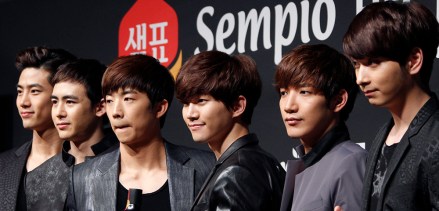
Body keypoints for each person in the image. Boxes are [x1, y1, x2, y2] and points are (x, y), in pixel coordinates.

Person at [69, 54, 215, 211]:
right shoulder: (82, 178)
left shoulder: (206, 169)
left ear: (159, 108)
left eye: (128, 99)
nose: (116, 112)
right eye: (110, 101)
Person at [343, 1, 439, 210]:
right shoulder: (382, 137)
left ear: (413, 60)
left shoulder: (436, 136)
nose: (360, 78)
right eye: (356, 65)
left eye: (373, 62)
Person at [175, 50, 286, 211]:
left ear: (237, 106)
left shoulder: (236, 173)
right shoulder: (261, 162)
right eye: (185, 103)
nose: (190, 114)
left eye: (201, 101)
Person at [275, 44, 366, 211]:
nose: (289, 106)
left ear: (338, 100)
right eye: (283, 93)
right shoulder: (306, 164)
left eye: (304, 92)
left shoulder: (350, 162)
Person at [0, 46, 76, 210]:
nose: (23, 102)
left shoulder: (88, 166)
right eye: (20, 92)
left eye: (34, 91)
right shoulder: (3, 165)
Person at [51, 59, 118, 166]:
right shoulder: (41, 176)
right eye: (54, 102)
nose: (59, 113)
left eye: (69, 102)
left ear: (100, 107)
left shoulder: (124, 165)